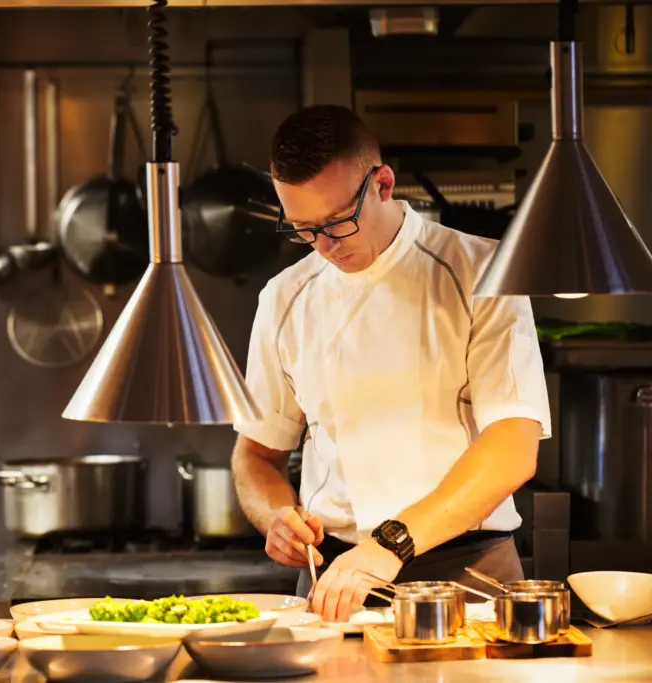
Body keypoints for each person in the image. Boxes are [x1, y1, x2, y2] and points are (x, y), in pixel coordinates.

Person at [231, 104, 551, 623]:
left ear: (382, 183)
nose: (325, 246)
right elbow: (256, 454)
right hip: (335, 580)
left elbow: (513, 447)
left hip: (466, 573)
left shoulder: (481, 271)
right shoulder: (283, 298)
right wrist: (275, 517)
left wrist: (390, 545)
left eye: (338, 222)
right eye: (303, 229)